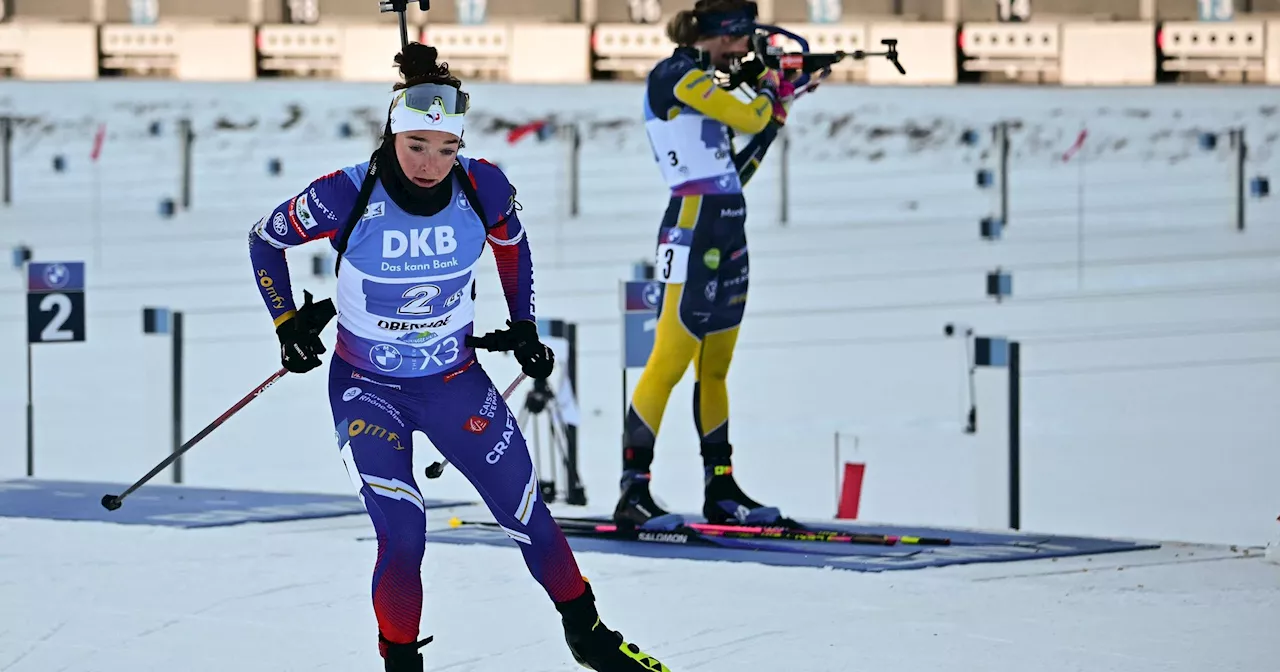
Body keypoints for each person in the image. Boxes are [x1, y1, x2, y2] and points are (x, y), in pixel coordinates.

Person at [248, 42, 671, 672]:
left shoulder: (484, 184)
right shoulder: (343, 195)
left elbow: (513, 248)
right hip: (369, 388)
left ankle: (587, 634)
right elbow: (264, 241)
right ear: (392, 132)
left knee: (526, 511)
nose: (430, 164)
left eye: (446, 149)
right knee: (403, 533)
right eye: (417, 145)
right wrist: (287, 322)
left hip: (455, 382)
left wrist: (522, 325)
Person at [616, 0, 803, 531]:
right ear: (723, 35)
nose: (748, 48)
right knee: (670, 358)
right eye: (744, 38)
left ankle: (720, 487)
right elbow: (748, 115)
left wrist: (778, 107)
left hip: (725, 223)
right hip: (694, 226)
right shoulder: (677, 74)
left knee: (715, 366)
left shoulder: (705, 84)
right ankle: (634, 491)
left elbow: (735, 170)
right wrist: (771, 87)